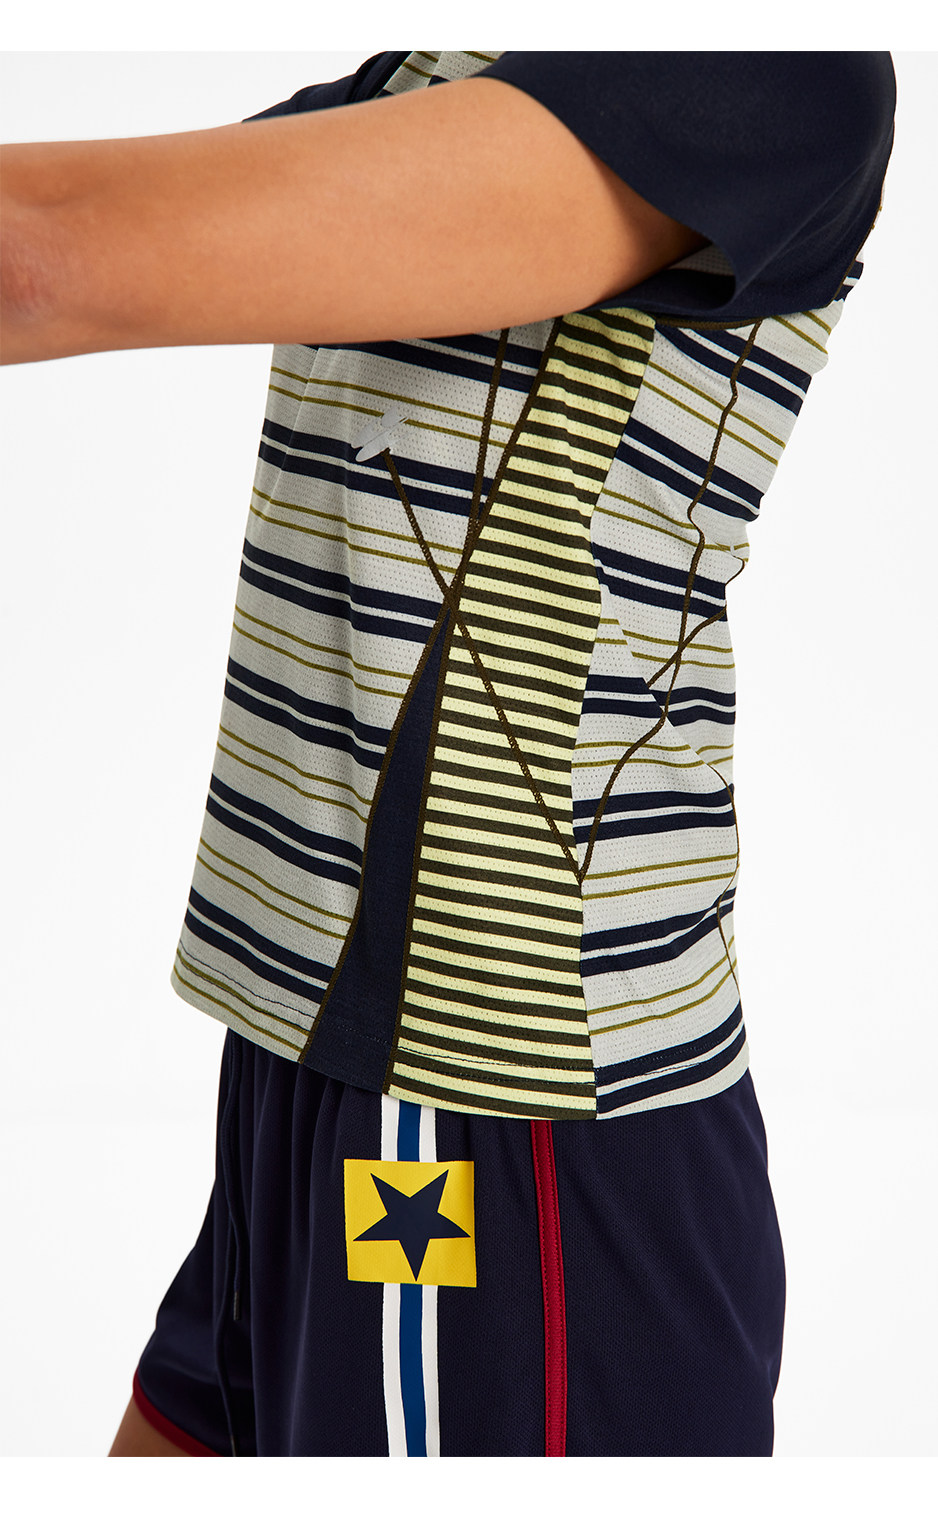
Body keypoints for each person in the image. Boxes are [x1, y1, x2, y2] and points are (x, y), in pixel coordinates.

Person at [1, 50, 897, 1456]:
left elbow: (46, 258)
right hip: (309, 1042)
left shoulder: (754, 71)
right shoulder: (436, 69)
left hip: (501, 1094)